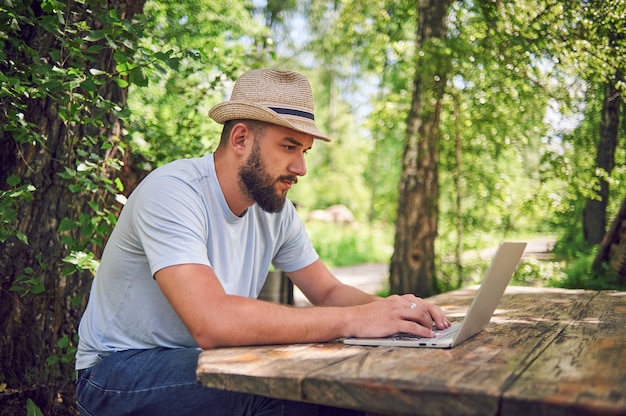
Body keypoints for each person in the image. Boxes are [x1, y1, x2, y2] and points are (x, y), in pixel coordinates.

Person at [75, 68, 450, 416]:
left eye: (304, 151)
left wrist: (397, 314)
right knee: (291, 388)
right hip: (116, 372)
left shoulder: (274, 209)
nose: (301, 168)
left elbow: (329, 291)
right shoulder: (173, 191)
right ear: (240, 138)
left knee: (340, 378)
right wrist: (354, 320)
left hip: (204, 359)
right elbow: (213, 322)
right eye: (289, 147)